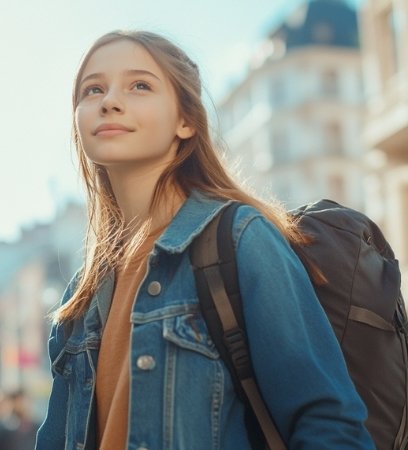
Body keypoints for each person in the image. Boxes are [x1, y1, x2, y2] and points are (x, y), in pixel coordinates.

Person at [35, 30, 374, 449]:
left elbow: (330, 424)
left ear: (186, 121)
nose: (110, 100)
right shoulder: (81, 295)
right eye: (93, 89)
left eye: (140, 85)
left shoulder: (238, 238)